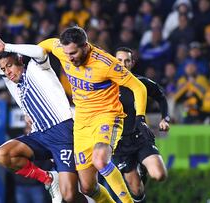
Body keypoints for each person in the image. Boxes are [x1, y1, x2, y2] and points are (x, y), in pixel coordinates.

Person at [38, 26, 152, 203]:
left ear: (85, 46)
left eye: (74, 53)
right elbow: (45, 45)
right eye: (67, 53)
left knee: (100, 160)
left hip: (107, 116)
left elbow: (139, 87)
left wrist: (141, 117)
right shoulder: (63, 50)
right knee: (87, 187)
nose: (69, 58)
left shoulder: (106, 63)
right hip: (82, 123)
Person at [0, 38, 91, 203]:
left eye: (10, 65)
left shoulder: (37, 68)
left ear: (20, 60)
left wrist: (6, 46)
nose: (8, 72)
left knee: (70, 195)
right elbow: (0, 70)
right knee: (2, 155)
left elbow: (40, 51)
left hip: (62, 133)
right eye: (4, 69)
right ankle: (48, 178)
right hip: (39, 136)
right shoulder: (16, 87)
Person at [113, 47, 169, 202]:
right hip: (119, 143)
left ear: (132, 63)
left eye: (127, 61)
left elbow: (161, 97)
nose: (123, 64)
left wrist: (165, 118)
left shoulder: (141, 83)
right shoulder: (106, 84)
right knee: (136, 190)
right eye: (119, 61)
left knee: (159, 175)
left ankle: (142, 168)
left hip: (140, 136)